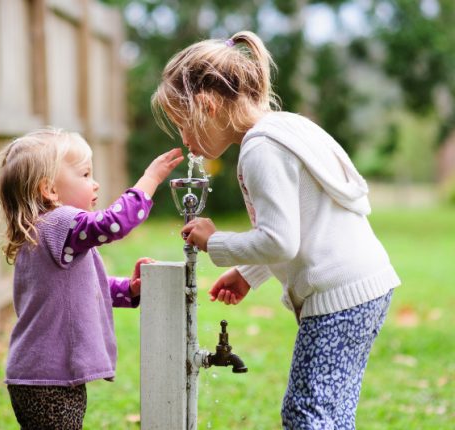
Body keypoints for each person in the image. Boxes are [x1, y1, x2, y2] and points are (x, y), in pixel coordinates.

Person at [152, 31, 401, 429]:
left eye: (183, 125)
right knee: (331, 411)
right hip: (364, 285)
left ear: (208, 105)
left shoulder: (260, 149)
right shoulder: (283, 128)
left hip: (338, 293)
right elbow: (298, 223)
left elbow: (281, 240)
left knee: (307, 413)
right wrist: (250, 273)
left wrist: (216, 242)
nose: (184, 140)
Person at [0, 128, 183, 429]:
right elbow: (113, 224)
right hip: (48, 381)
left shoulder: (43, 231)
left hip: (40, 377)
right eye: (84, 175)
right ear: (50, 190)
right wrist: (150, 180)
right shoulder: (59, 223)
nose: (94, 183)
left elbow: (80, 290)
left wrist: (130, 290)